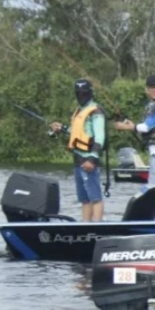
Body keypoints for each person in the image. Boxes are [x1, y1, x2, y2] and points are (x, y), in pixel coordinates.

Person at [116, 74, 155, 221]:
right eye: (151, 88)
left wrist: (127, 127)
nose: (154, 91)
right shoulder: (150, 106)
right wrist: (133, 126)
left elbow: (147, 126)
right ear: (146, 90)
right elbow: (146, 129)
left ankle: (151, 222)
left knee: (153, 191)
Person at [49, 79, 106, 222]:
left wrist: (92, 159)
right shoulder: (79, 111)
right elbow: (77, 133)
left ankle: (98, 227)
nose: (81, 96)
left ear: (90, 93)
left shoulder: (96, 111)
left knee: (95, 198)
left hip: (89, 161)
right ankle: (85, 225)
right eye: (79, 94)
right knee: (84, 199)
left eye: (84, 93)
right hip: (78, 160)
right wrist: (61, 129)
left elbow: (100, 137)